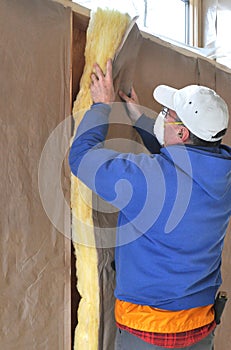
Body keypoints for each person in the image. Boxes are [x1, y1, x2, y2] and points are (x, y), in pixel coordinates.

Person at [69, 59, 231, 349]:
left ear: (182, 134)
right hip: (200, 329)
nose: (162, 116)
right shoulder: (224, 176)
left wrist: (102, 107)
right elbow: (188, 167)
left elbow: (81, 157)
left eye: (167, 114)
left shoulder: (149, 178)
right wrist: (143, 121)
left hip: (147, 333)